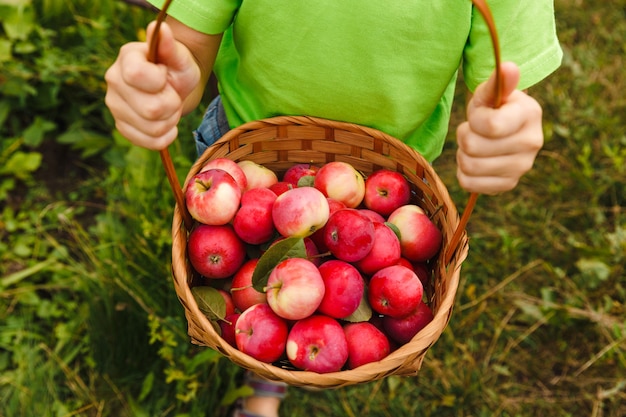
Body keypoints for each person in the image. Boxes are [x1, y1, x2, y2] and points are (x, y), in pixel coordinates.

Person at [105, 1, 562, 416]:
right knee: (257, 292)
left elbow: (506, 82)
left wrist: (507, 127)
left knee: (281, 297)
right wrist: (164, 85)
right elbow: (187, 44)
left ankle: (276, 359)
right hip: (248, 160)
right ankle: (265, 374)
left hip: (391, 174)